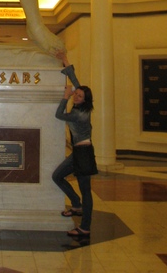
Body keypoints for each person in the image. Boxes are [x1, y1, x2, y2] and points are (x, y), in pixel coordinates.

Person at [52, 56, 96, 238]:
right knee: (57, 176)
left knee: (86, 191)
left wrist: (65, 97)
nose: (76, 96)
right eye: (76, 94)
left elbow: (58, 115)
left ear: (85, 100)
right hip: (78, 152)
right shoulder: (82, 107)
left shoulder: (79, 115)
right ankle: (76, 204)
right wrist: (65, 60)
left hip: (83, 153)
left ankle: (84, 227)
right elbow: (76, 82)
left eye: (79, 96)